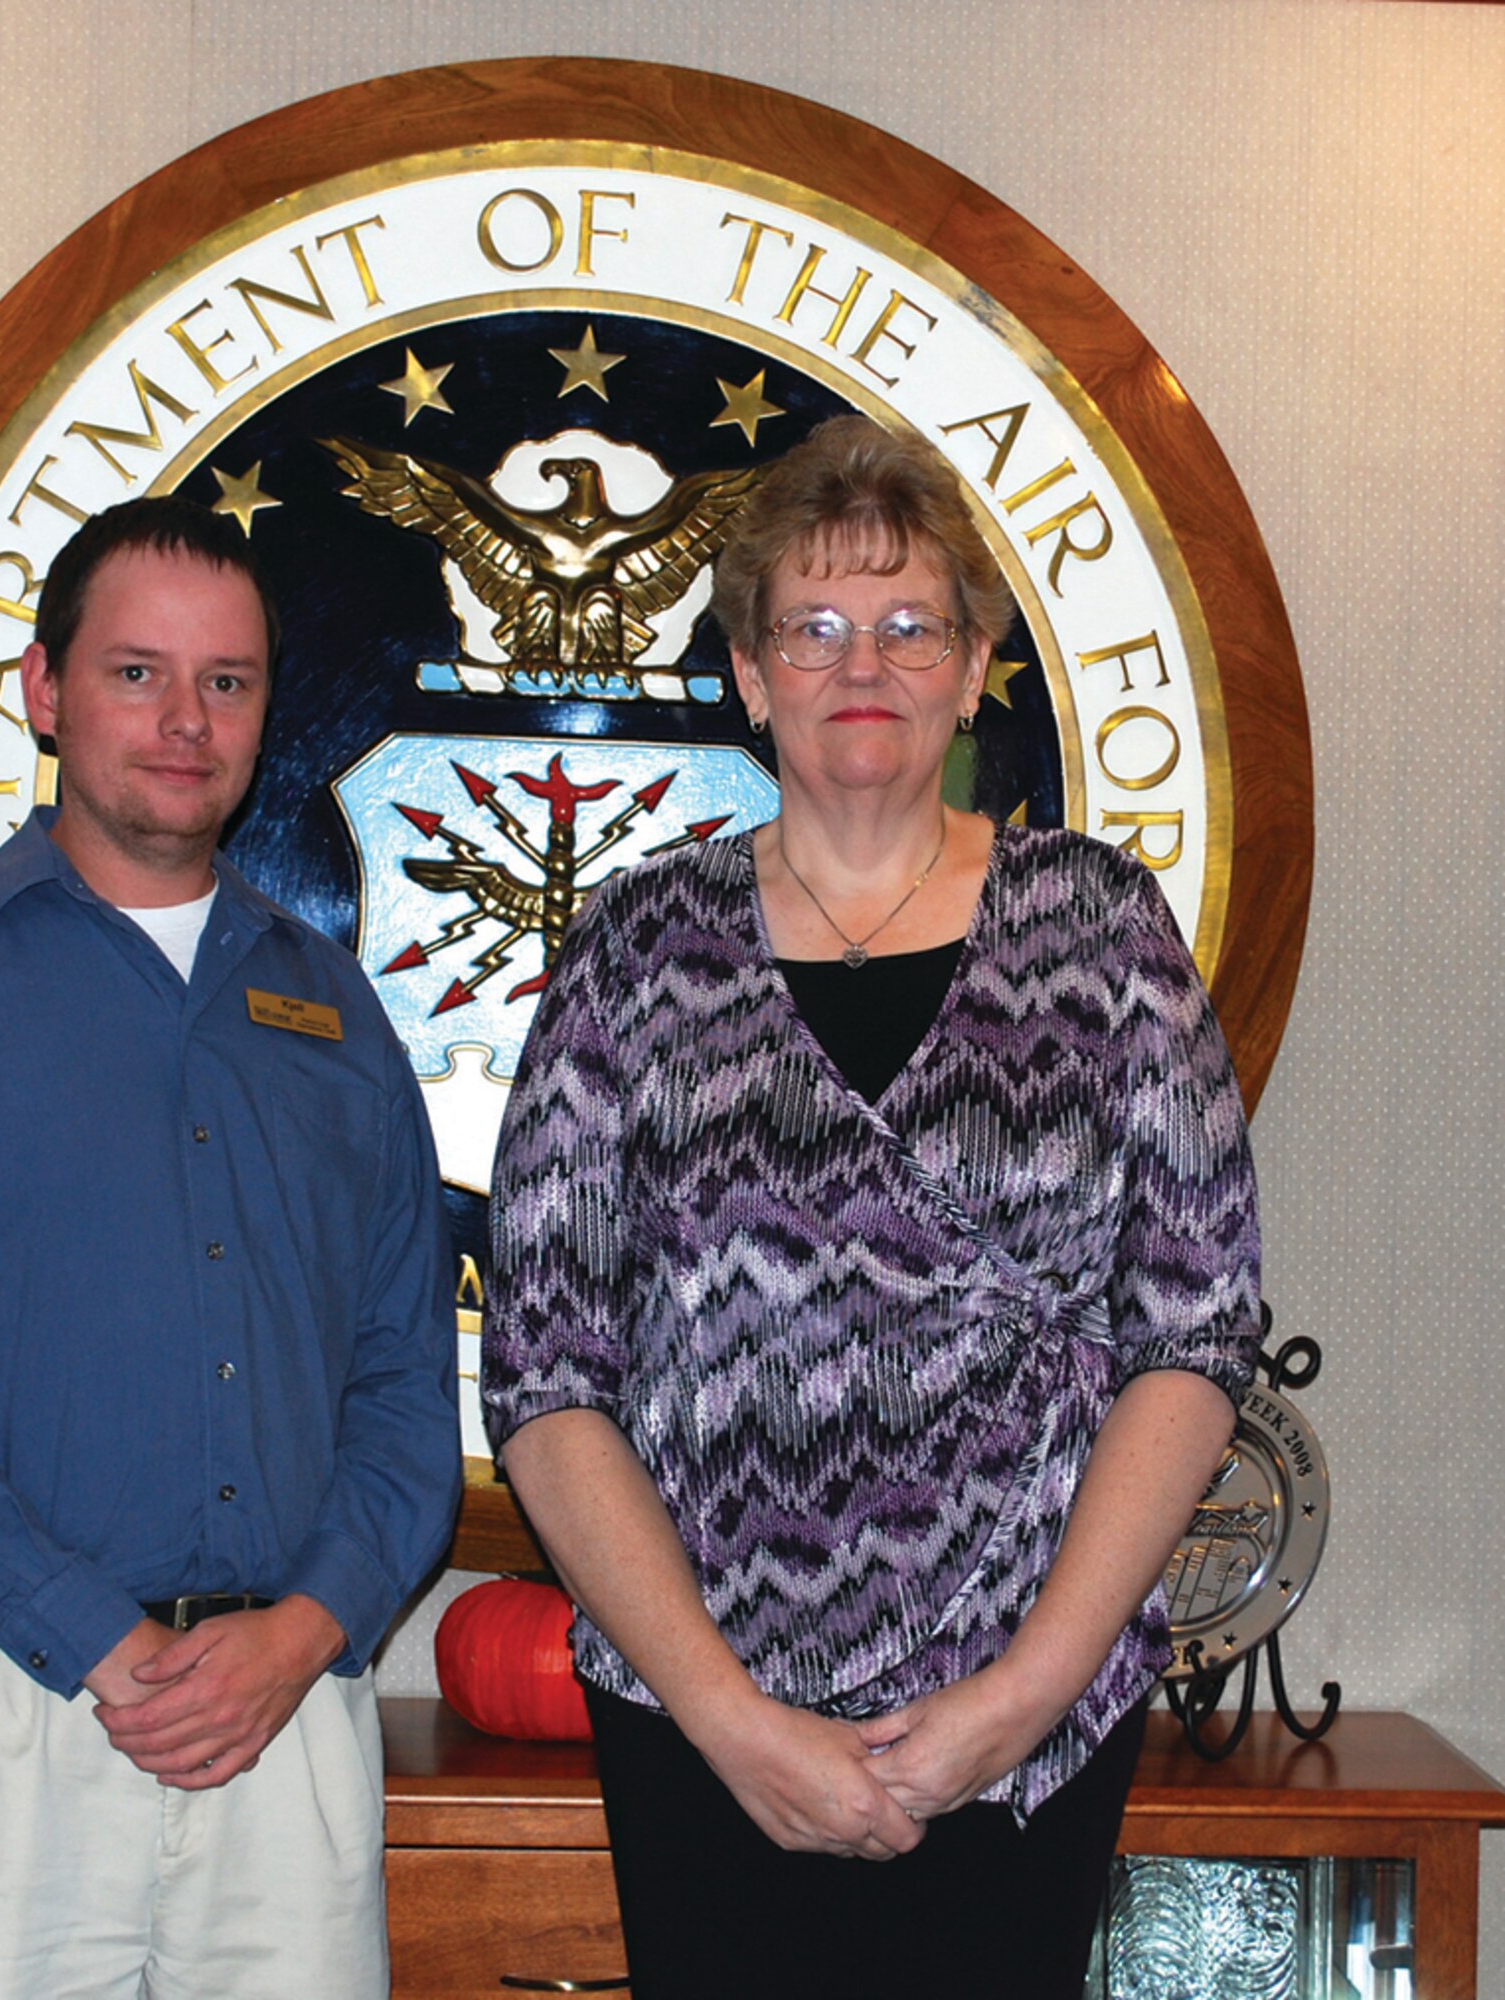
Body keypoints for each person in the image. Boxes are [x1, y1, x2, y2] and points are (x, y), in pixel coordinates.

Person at [483, 415, 1260, 1999]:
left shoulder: (1100, 928)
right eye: (814, 628)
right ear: (750, 674)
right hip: (707, 1731)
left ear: (977, 667)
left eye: (913, 626)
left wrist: (1024, 1697)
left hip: (1018, 1726)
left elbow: (1195, 1331)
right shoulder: (639, 949)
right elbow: (548, 1377)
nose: (866, 664)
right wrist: (728, 1718)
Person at [0, 494, 460, 2000]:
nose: (185, 721)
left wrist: (303, 1634)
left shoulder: (335, 1016)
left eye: (227, 681)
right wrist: (93, 1637)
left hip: (285, 1717)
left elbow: (407, 1388)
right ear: (44, 689)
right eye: (137, 672)